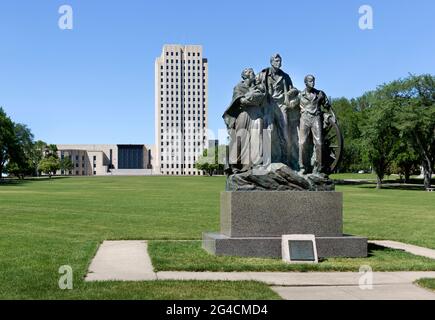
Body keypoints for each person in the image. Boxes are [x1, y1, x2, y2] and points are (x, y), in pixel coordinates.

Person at [256, 54, 299, 168]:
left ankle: (285, 160)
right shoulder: (263, 74)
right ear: (271, 62)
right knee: (267, 132)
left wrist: (292, 93)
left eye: (280, 61)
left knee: (284, 134)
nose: (279, 63)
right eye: (276, 61)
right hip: (269, 106)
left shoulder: (285, 76)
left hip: (281, 106)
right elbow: (253, 85)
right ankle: (266, 160)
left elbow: (292, 89)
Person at [223, 68, 265, 173]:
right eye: (249, 72)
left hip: (255, 114)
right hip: (243, 114)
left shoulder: (258, 87)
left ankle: (252, 164)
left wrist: (250, 97)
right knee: (240, 138)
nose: (252, 73)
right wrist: (250, 97)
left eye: (252, 72)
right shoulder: (239, 87)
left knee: (255, 139)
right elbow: (241, 100)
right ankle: (235, 165)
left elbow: (261, 97)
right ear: (244, 76)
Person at [298, 75, 331, 175]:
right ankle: (303, 167)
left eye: (313, 81)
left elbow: (327, 106)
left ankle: (319, 167)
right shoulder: (300, 95)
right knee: (302, 143)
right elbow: (292, 106)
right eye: (310, 81)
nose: (313, 83)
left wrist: (328, 112)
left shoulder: (320, 93)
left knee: (319, 143)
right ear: (305, 83)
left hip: (316, 118)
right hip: (304, 118)